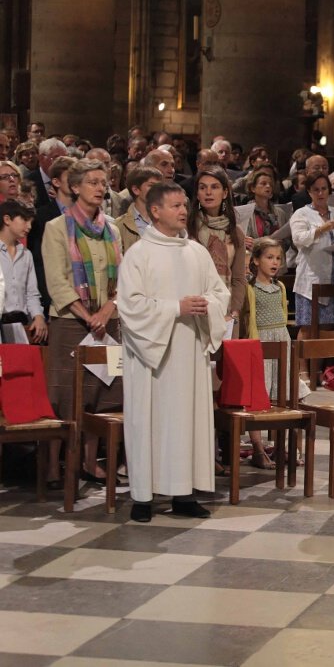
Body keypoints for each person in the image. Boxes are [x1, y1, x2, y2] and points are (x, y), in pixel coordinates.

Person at [117, 182, 231, 522]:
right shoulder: (139, 253)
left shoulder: (196, 252)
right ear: (155, 211)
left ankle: (184, 494)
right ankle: (142, 498)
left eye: (184, 204)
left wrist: (206, 304)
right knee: (150, 422)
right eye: (176, 205)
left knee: (188, 423)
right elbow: (130, 306)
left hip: (189, 353)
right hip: (154, 355)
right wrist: (174, 307)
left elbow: (219, 293)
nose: (184, 210)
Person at [42, 158, 124, 486]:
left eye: (103, 182)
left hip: (108, 321)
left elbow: (122, 280)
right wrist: (89, 315)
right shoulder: (56, 228)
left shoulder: (112, 228)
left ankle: (90, 463)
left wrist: (106, 311)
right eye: (92, 182)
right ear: (74, 187)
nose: (100, 188)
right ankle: (53, 467)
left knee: (104, 393)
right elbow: (57, 282)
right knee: (64, 396)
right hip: (69, 322)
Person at [188, 166, 247, 335]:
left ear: (225, 193)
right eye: (202, 187)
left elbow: (238, 278)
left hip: (226, 313)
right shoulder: (187, 228)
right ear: (197, 194)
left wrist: (234, 312)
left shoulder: (235, 232)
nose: (208, 192)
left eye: (214, 187)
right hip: (194, 311)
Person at [241, 238, 293, 432]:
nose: (275, 262)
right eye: (269, 257)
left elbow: (284, 318)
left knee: (282, 389)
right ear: (255, 260)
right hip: (261, 341)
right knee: (261, 391)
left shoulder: (279, 286)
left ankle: (283, 439)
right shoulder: (250, 288)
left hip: (281, 339)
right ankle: (258, 443)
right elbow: (250, 320)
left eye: (278, 258)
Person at [290, 173, 334, 333]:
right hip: (312, 280)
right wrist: (321, 229)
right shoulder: (301, 214)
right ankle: (301, 360)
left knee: (330, 331)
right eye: (316, 190)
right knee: (309, 330)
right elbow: (298, 239)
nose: (321, 193)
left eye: (324, 189)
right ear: (309, 192)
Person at [0, 201, 46, 343]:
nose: (29, 226)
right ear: (7, 220)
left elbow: (31, 292)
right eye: (24, 220)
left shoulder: (26, 254)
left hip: (21, 324)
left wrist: (38, 316)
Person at [115, 166, 164, 253]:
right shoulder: (119, 225)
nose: (158, 190)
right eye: (151, 185)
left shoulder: (168, 220)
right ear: (136, 190)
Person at [241, 166, 290, 249]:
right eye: (263, 183)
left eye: (270, 184)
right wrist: (269, 240)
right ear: (253, 188)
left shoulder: (280, 213)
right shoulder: (245, 213)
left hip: (277, 257)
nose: (268, 186)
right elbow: (246, 242)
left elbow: (288, 241)